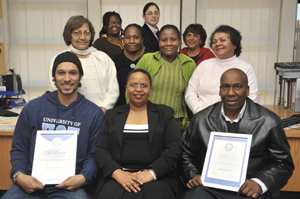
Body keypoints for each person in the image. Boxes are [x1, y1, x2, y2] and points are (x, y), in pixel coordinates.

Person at [2, 52, 105, 199]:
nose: (67, 79)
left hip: (71, 186)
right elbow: (19, 149)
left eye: (73, 73)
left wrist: (83, 178)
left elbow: (94, 155)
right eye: (61, 73)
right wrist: (19, 176)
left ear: (81, 77)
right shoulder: (33, 108)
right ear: (54, 77)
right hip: (31, 182)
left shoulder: (94, 114)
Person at [179, 68, 294, 199]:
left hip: (248, 190)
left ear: (248, 90)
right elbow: (185, 153)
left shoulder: (269, 121)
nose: (231, 93)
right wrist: (193, 175)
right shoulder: (201, 119)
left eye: (238, 87)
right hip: (208, 188)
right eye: (225, 87)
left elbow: (283, 163)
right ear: (219, 90)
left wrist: (259, 183)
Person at [94, 69, 183, 199]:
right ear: (126, 89)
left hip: (157, 177)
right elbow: (101, 149)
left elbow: (175, 147)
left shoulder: (165, 113)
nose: (138, 89)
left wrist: (152, 173)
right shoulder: (112, 115)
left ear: (151, 90)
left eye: (144, 85)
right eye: (133, 85)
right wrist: (117, 173)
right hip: (118, 176)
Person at [48, 15, 119, 114]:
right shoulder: (59, 58)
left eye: (87, 33)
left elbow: (113, 89)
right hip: (71, 114)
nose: (82, 37)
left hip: (101, 114)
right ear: (69, 35)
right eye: (77, 33)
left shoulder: (103, 57)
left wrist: (103, 109)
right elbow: (54, 88)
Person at [185, 25, 258, 115]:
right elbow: (190, 93)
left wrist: (231, 117)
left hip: (235, 121)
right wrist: (200, 113)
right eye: (214, 41)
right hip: (203, 118)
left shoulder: (246, 68)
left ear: (235, 44)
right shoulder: (204, 65)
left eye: (222, 40)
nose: (217, 44)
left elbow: (252, 98)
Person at [135, 24, 196, 126]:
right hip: (146, 118)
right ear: (158, 42)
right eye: (164, 40)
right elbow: (132, 87)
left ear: (180, 42)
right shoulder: (148, 59)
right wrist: (134, 113)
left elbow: (193, 94)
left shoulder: (189, 63)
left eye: (173, 39)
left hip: (175, 121)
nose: (168, 43)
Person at [112, 23, 148, 107]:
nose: (131, 41)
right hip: (120, 111)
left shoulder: (150, 60)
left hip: (146, 110)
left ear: (142, 39)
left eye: (136, 37)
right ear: (124, 39)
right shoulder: (114, 61)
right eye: (128, 37)